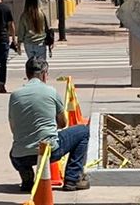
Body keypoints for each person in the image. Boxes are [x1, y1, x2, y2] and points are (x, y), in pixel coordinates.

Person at [7, 55, 87, 192]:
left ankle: (27, 179)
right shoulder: (51, 92)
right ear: (44, 75)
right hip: (48, 151)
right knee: (83, 132)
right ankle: (72, 180)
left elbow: (13, 127)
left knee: (16, 150)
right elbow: (63, 124)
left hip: (19, 156)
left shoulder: (15, 95)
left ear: (27, 74)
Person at [18, 0, 52, 67]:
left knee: (32, 66)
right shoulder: (41, 14)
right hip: (40, 42)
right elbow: (46, 28)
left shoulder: (24, 15)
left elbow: (21, 31)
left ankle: (34, 77)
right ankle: (41, 77)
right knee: (41, 65)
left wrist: (19, 43)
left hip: (28, 43)